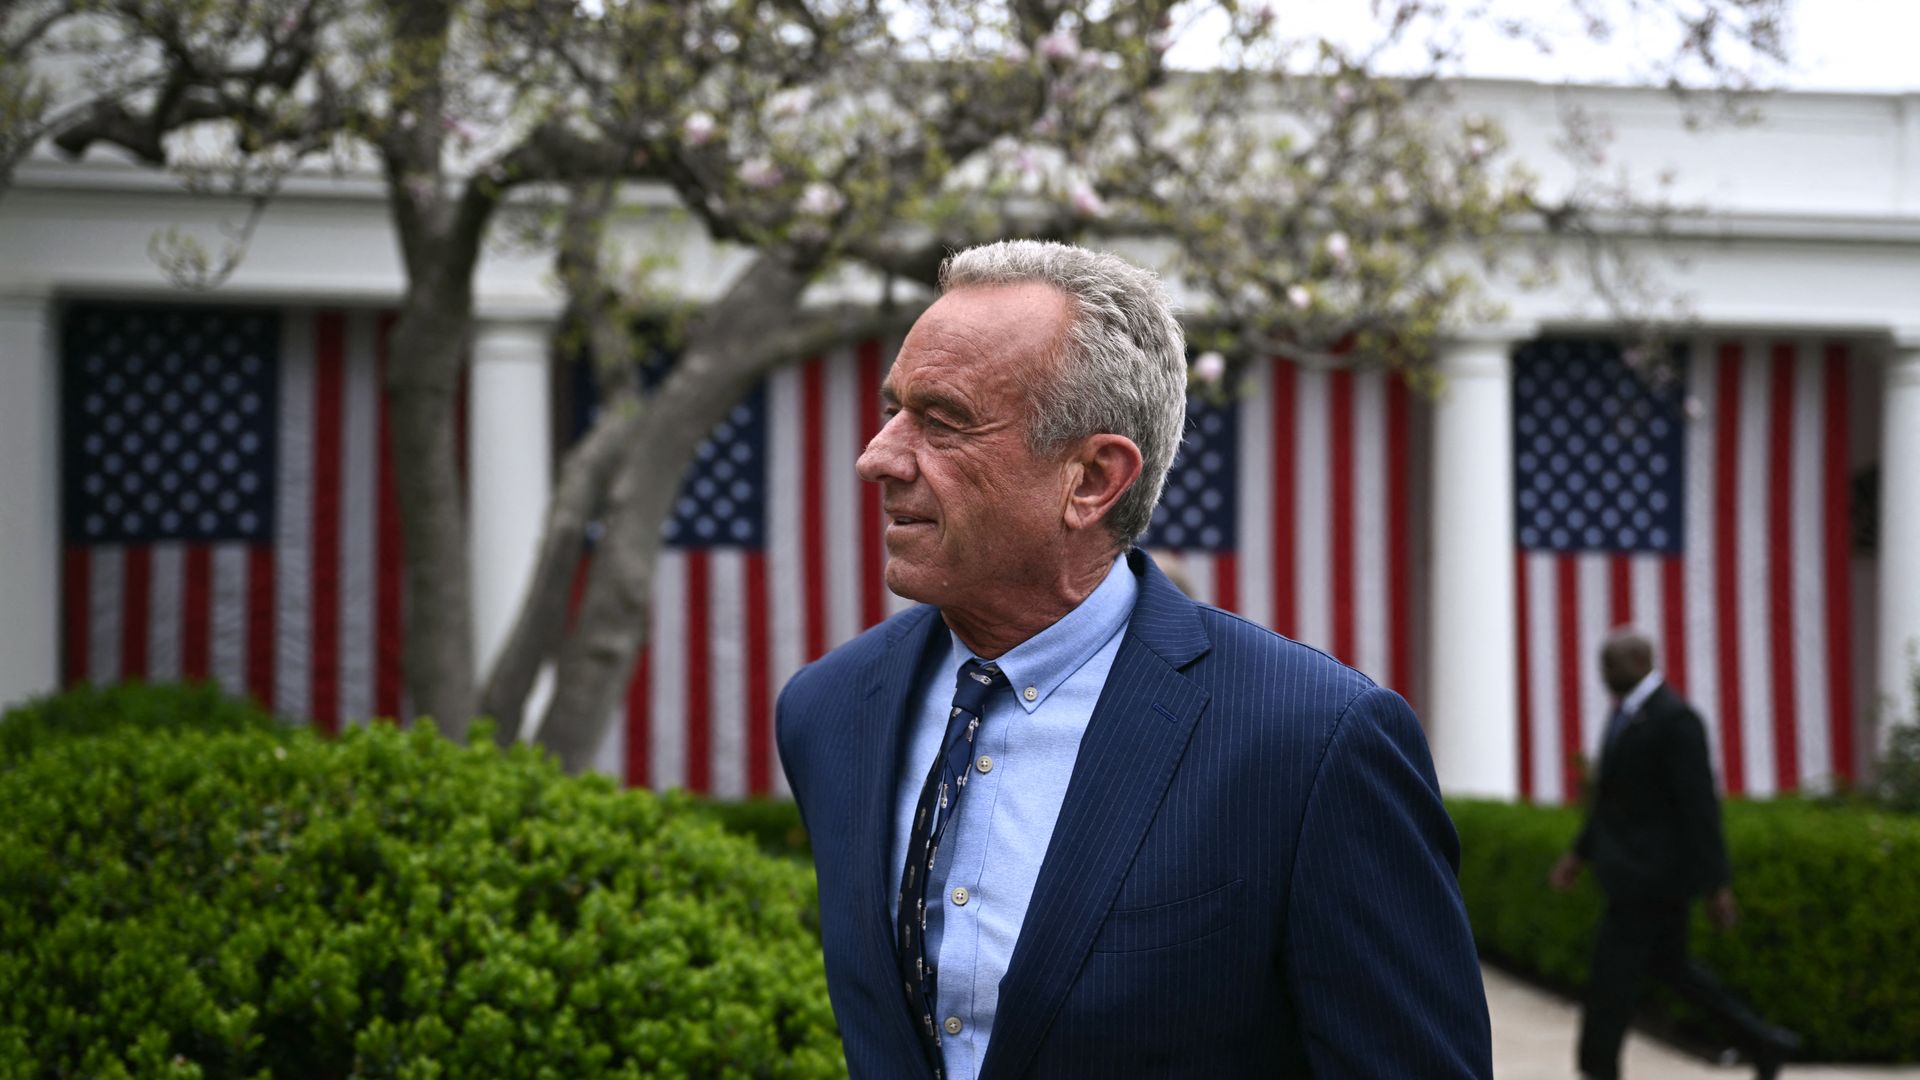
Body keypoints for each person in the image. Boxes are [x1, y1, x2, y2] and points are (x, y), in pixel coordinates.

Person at [777, 240, 1491, 1079]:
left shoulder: (1312, 743)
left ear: (1092, 479)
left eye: (942, 422)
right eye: (894, 410)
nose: (879, 456)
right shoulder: (829, 710)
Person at [1549, 628, 1800, 1080]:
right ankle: (1763, 1042)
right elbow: (1611, 801)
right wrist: (1578, 854)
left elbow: (1699, 808)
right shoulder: (1625, 715)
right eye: (1604, 662)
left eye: (1614, 662)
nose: (1605, 672)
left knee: (1610, 982)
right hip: (1630, 875)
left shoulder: (1675, 718)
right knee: (1676, 971)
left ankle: (1597, 1068)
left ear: (1643, 661)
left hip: (1653, 880)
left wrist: (1716, 885)